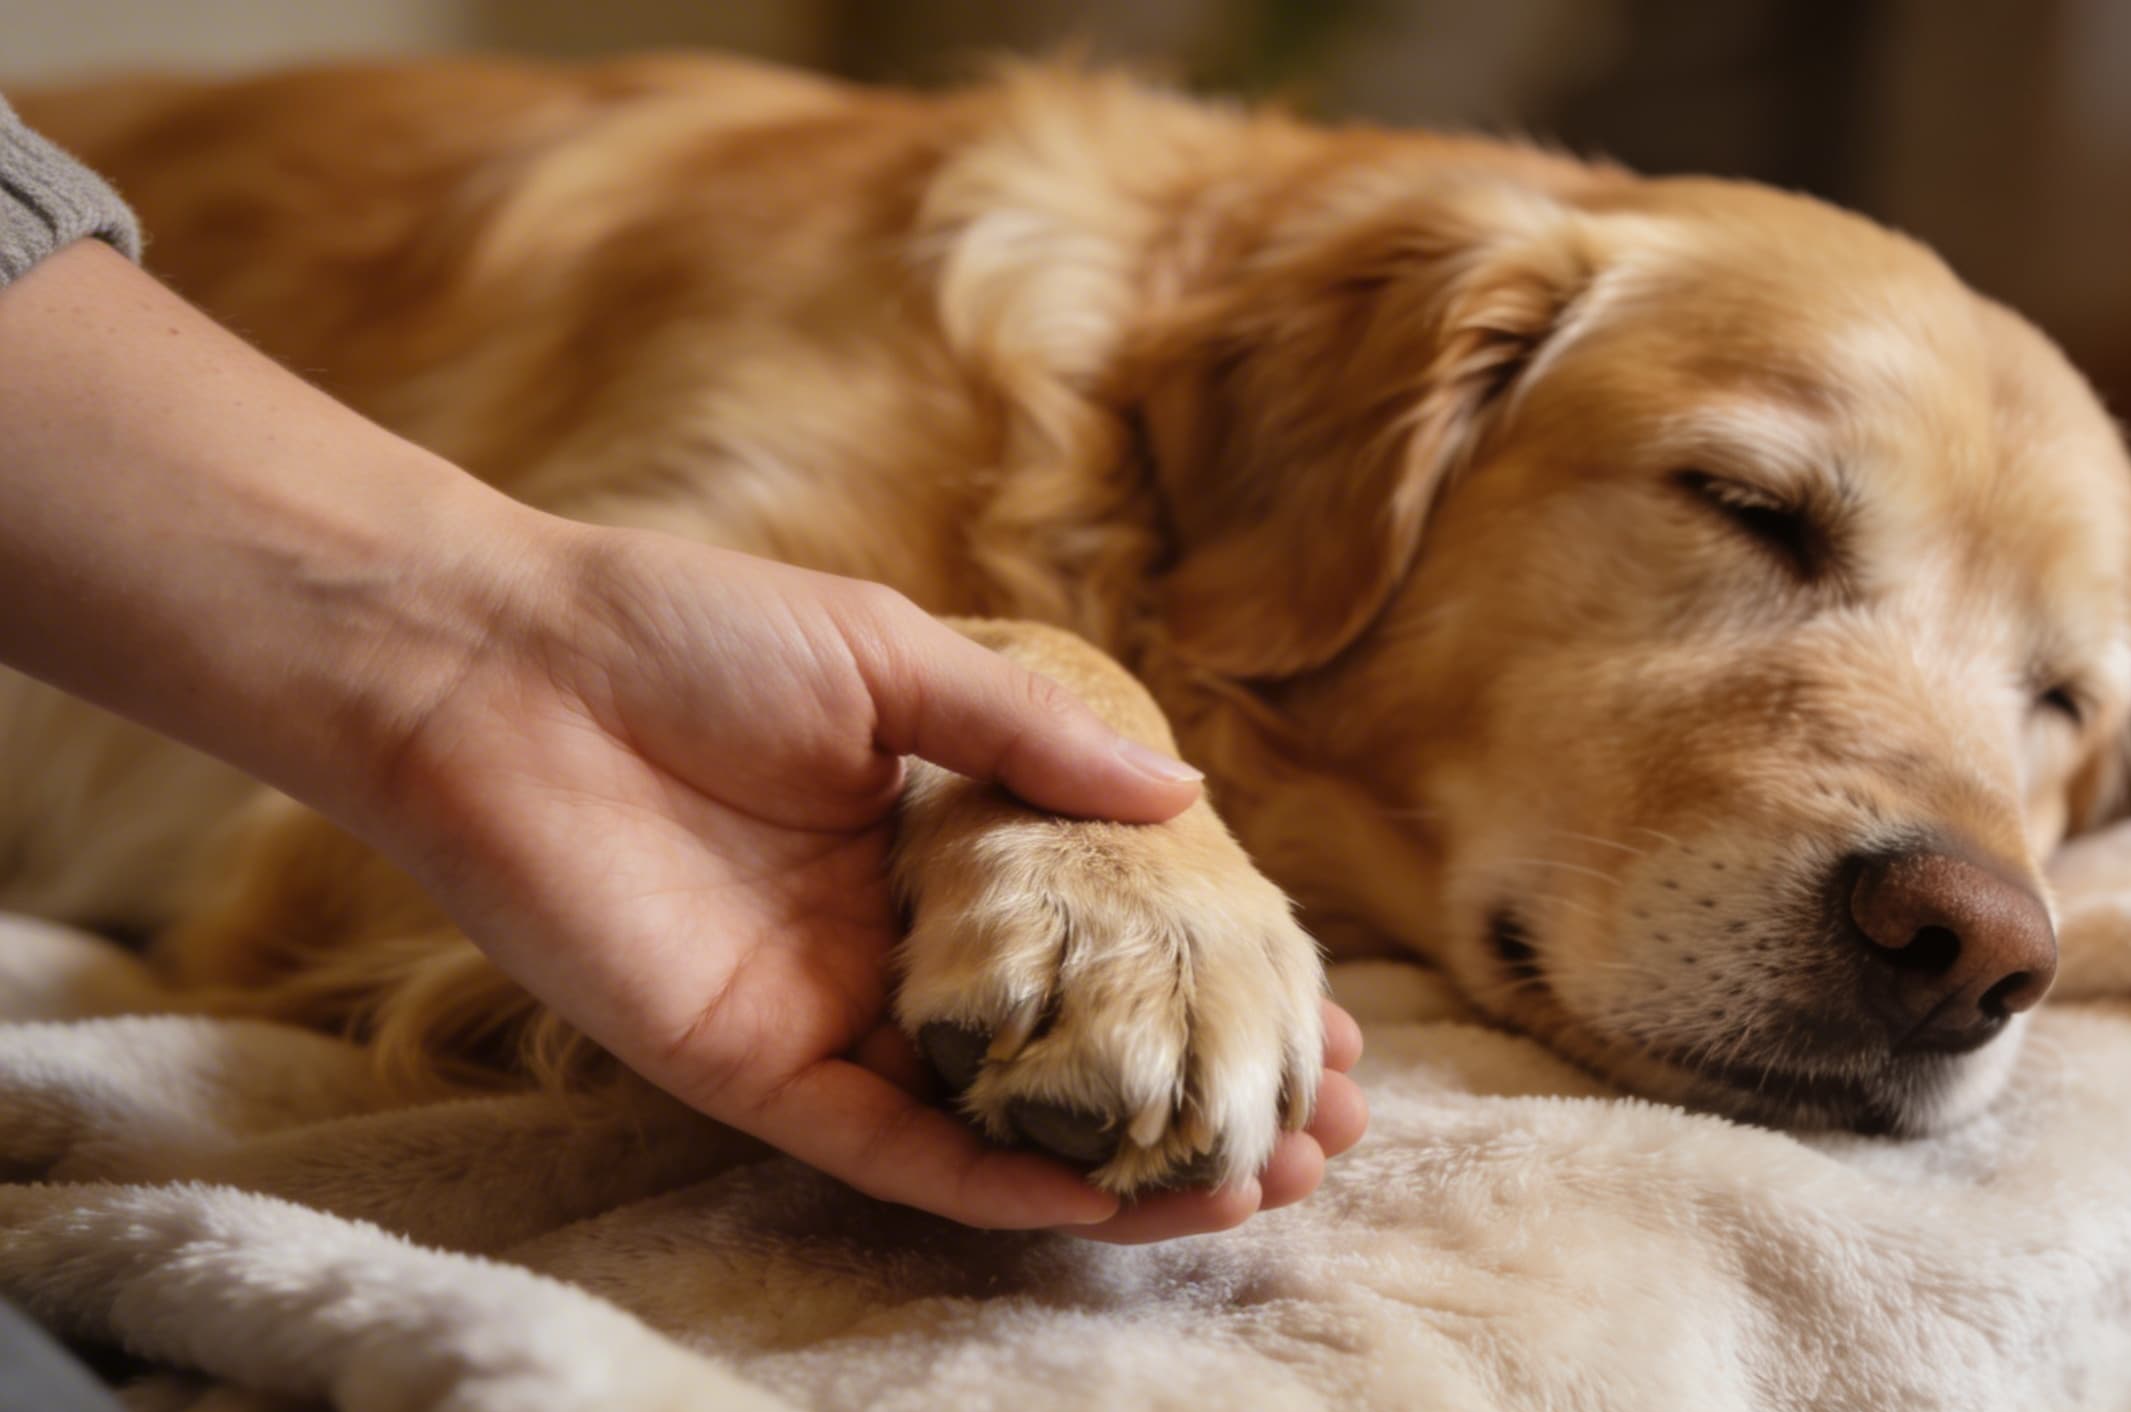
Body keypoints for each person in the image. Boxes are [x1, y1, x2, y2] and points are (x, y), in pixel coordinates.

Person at [0, 95, 1365, 1251]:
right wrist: (1041, 755)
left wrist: (469, 660)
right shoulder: (884, 299)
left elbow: (502, 731)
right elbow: (288, 895)